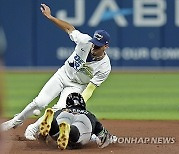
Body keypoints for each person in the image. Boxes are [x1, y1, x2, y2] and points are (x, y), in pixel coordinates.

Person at [0, 3, 111, 140]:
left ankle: (33, 128)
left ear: (106, 46)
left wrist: (80, 102)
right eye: (94, 43)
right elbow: (69, 28)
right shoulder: (85, 41)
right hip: (62, 75)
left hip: (76, 86)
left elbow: (90, 88)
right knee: (39, 102)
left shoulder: (105, 67)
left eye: (98, 46)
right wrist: (51, 17)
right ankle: (15, 121)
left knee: (59, 108)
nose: (94, 47)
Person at [38, 93, 117, 150]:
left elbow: (41, 136)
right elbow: (102, 135)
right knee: (78, 131)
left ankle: (52, 121)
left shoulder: (60, 111)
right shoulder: (90, 114)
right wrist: (111, 139)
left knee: (56, 130)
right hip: (84, 118)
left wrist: (43, 137)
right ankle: (69, 129)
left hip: (64, 114)